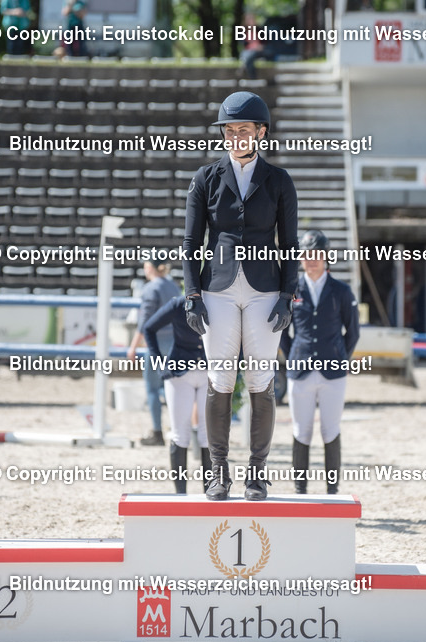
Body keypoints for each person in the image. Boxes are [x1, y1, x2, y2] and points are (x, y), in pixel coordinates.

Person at [182, 91, 298, 501]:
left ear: (260, 132)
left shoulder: (280, 180)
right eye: (228, 131)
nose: (234, 137)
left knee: (260, 380)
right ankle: (217, 473)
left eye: (242, 130)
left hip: (266, 289)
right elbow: (191, 240)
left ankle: (257, 473)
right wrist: (191, 293)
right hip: (219, 288)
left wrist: (289, 293)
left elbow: (290, 242)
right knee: (220, 378)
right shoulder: (206, 178)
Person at [280, 229, 359, 494]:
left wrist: (340, 358)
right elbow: (282, 331)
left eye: (316, 254)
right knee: (301, 431)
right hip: (300, 370)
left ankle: (332, 490)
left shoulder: (341, 290)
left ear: (326, 257)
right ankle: (300, 490)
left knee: (330, 430)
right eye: (306, 255)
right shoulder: (291, 290)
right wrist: (294, 355)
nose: (311, 259)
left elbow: (353, 331)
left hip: (332, 373)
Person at [144, 295, 211, 493]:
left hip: (211, 372)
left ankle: (210, 491)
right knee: (180, 433)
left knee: (208, 435)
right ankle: (180, 493)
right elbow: (149, 328)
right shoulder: (177, 304)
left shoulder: (221, 303)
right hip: (180, 373)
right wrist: (158, 362)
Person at [127, 259, 180, 447]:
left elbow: (145, 322)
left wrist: (133, 346)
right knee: (175, 388)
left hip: (156, 344)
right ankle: (179, 430)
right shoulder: (173, 286)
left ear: (149, 267)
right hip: (174, 343)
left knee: (151, 388)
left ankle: (157, 432)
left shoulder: (150, 289)